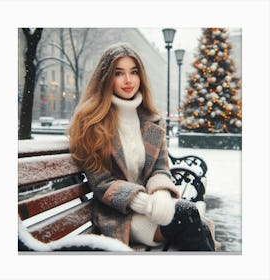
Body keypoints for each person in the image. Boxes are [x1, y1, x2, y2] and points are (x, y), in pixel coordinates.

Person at [69, 43, 215, 251]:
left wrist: (161, 195)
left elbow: (160, 169)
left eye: (134, 72)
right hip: (119, 216)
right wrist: (144, 203)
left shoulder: (152, 121)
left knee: (192, 219)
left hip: (153, 209)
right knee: (189, 219)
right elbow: (101, 183)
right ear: (106, 78)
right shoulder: (92, 122)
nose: (128, 80)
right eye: (119, 73)